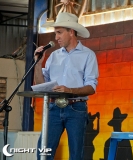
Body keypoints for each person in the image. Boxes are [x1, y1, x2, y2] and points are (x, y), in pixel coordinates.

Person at [34, 12, 98, 160]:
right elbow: (41, 84)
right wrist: (38, 63)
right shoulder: (54, 55)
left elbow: (91, 87)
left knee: (76, 154)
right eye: (55, 33)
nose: (56, 37)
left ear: (71, 32)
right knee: (43, 151)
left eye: (59, 32)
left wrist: (69, 90)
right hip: (54, 108)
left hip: (76, 108)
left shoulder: (88, 55)